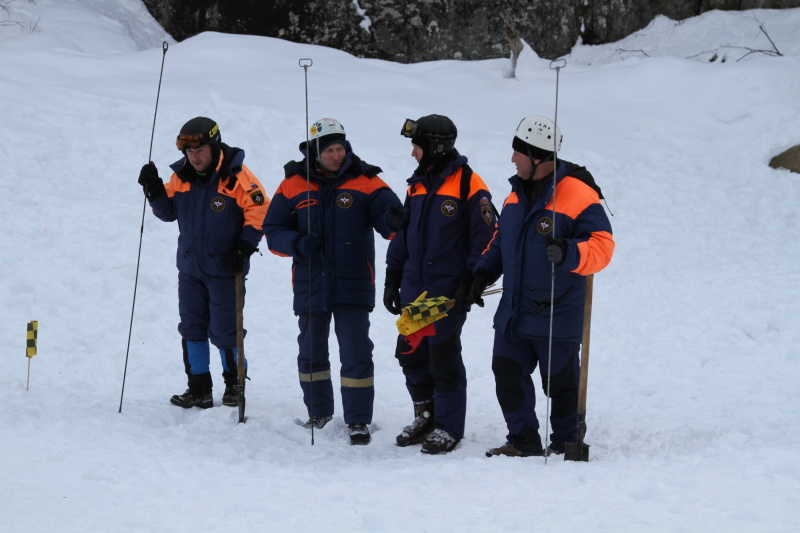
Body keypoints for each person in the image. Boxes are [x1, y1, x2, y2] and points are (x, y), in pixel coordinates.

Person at [472, 115, 614, 457]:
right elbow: (501, 241)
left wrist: (570, 252)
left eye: (518, 153)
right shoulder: (515, 195)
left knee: (561, 383)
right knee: (506, 372)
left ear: (538, 157)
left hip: (557, 309)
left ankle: (567, 439)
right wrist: (479, 274)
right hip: (514, 310)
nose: (512, 159)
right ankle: (522, 438)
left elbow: (603, 246)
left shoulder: (579, 195)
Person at [263, 118, 404, 445]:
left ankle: (357, 420)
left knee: (356, 352)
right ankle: (319, 412)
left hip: (353, 280)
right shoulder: (293, 185)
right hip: (311, 281)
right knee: (311, 352)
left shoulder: (367, 181)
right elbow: (273, 232)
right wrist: (297, 243)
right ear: (316, 152)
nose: (337, 155)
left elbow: (390, 221)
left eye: (340, 148)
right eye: (329, 150)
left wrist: (395, 218)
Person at [137, 117, 270, 409]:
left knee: (226, 331)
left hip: (225, 269)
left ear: (214, 146)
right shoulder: (181, 177)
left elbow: (260, 208)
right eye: (189, 152)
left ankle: (235, 384)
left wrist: (245, 245)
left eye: (200, 151)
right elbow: (168, 212)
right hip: (190, 269)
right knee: (192, 328)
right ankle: (198, 388)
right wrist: (155, 189)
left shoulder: (236, 176)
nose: (195, 157)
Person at [384, 114, 496, 454]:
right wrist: (392, 275)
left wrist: (472, 277)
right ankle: (427, 415)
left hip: (446, 293)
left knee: (442, 358)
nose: (413, 153)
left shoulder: (468, 185)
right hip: (415, 291)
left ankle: (448, 425)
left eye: (417, 146)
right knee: (410, 352)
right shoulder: (417, 184)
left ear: (436, 146)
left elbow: (488, 237)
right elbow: (403, 234)